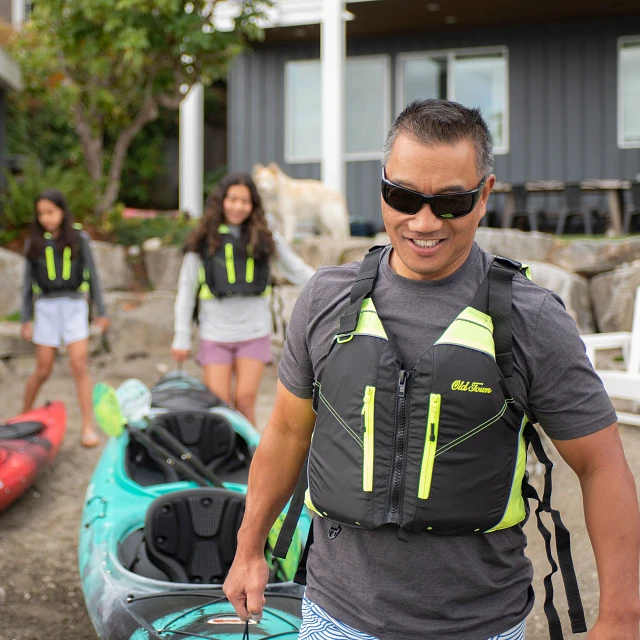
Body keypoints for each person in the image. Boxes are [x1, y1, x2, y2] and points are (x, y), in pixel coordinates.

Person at [223, 100, 640, 640]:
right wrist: (248, 549)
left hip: (481, 625)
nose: (423, 222)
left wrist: (623, 617)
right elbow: (284, 431)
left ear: (484, 195)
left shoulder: (532, 319)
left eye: (450, 203)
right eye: (404, 197)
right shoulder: (325, 299)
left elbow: (603, 464)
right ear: (383, 189)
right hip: (335, 617)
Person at [171, 172, 314, 426]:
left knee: (245, 402)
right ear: (221, 201)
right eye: (232, 199)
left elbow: (296, 269)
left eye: (245, 201)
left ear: (253, 205)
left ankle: (251, 463)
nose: (238, 207)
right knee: (219, 407)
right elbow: (186, 289)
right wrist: (181, 336)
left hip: (253, 332)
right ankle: (221, 463)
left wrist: (331, 287)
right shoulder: (204, 238)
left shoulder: (265, 234)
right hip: (215, 334)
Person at [20, 189, 110, 448]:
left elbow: (93, 277)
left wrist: (101, 311)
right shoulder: (34, 242)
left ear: (62, 211)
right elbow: (27, 284)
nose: (46, 218)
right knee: (43, 368)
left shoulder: (79, 239)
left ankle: (87, 426)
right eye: (41, 214)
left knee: (79, 364)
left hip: (74, 306)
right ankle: (22, 416)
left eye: (51, 212)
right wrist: (26, 317)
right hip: (46, 308)